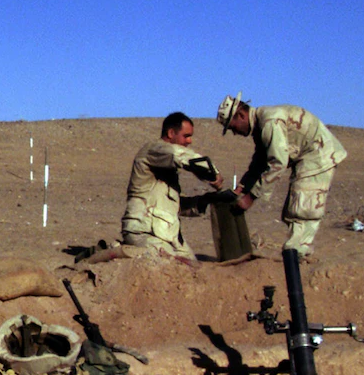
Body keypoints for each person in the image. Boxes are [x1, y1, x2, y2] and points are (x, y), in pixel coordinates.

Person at [217, 93, 347, 257]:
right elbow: (260, 162)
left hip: (318, 154)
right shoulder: (260, 125)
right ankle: (297, 252)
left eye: (232, 127)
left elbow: (277, 163)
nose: (234, 132)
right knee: (291, 212)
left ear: (241, 115)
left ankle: (298, 253)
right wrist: (242, 188)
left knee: (303, 208)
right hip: (306, 156)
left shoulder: (269, 122)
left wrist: (250, 198)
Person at [120, 112, 224, 260]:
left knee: (195, 266)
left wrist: (206, 200)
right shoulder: (154, 150)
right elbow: (179, 154)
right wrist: (212, 172)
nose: (189, 141)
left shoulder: (167, 169)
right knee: (171, 263)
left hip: (168, 235)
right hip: (143, 232)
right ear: (170, 133)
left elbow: (174, 206)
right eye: (186, 136)